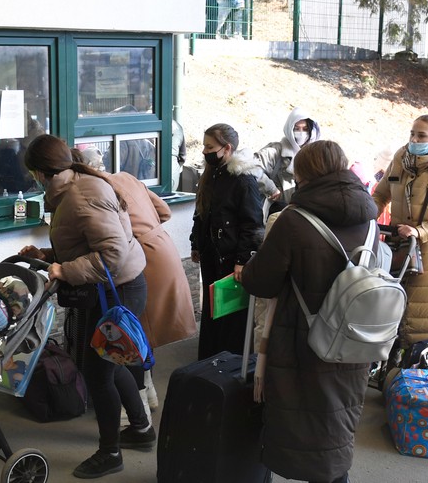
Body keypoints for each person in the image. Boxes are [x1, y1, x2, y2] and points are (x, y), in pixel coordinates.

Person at [242, 140, 376, 483]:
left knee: (302, 420)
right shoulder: (370, 218)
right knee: (337, 419)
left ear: (303, 174)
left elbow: (263, 283)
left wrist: (249, 268)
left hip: (302, 339)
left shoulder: (294, 220)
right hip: (355, 338)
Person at [18, 134, 151, 479]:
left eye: (33, 173)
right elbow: (84, 243)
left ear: (42, 172)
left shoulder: (83, 194)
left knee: (98, 371)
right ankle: (140, 428)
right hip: (107, 288)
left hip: (118, 291)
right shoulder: (71, 187)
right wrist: (46, 257)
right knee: (110, 361)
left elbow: (112, 254)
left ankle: (110, 453)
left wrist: (63, 270)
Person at [71, 148, 195, 412]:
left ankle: (137, 410)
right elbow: (164, 211)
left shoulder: (93, 191)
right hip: (162, 247)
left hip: (139, 257)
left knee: (131, 334)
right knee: (141, 334)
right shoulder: (126, 177)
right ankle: (146, 397)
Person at [373, 114, 428, 343]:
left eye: (421, 135)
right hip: (396, 250)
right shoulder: (400, 159)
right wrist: (366, 218)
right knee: (389, 316)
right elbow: (380, 195)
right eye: (412, 134)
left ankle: (418, 375)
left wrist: (420, 231)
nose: (414, 139)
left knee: (424, 325)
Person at [190, 123, 265, 360]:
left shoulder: (244, 181)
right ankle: (209, 359)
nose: (204, 151)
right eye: (204, 146)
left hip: (231, 259)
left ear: (227, 148)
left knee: (230, 315)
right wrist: (196, 243)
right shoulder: (209, 176)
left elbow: (252, 225)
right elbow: (201, 213)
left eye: (210, 146)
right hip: (211, 255)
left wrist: (243, 260)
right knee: (212, 311)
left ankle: (228, 362)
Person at [256, 107, 322, 215]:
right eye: (296, 128)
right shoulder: (276, 151)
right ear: (290, 129)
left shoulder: (316, 158)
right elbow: (251, 167)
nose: (301, 133)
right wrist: (270, 188)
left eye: (305, 129)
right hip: (270, 213)